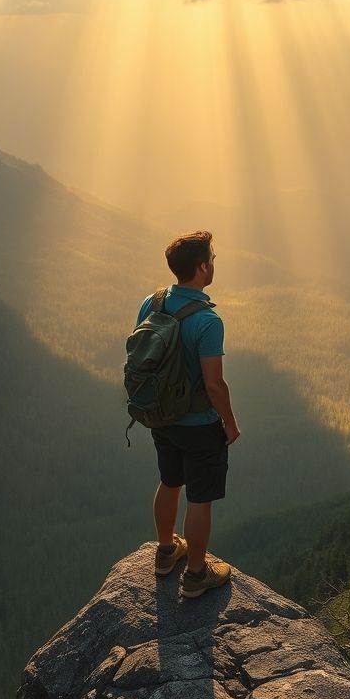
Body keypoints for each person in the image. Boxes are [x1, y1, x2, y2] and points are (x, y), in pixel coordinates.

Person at [142, 230, 241, 599]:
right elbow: (214, 384)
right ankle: (197, 575)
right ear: (202, 268)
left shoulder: (150, 303)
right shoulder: (207, 321)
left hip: (161, 416)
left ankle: (167, 552)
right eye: (212, 259)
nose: (214, 264)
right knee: (200, 497)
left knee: (170, 481)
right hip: (198, 425)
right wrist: (230, 424)